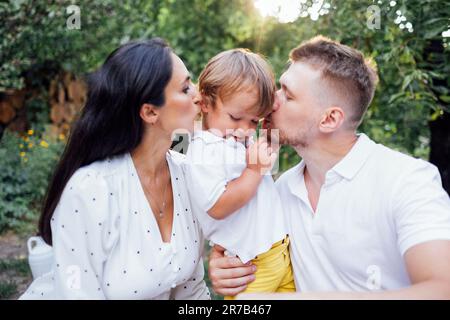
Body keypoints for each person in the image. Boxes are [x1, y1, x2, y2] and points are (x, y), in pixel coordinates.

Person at [208, 36, 450, 299]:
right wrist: (225, 267)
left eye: (287, 94)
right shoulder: (280, 189)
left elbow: (441, 289)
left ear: (329, 119)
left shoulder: (407, 181)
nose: (270, 101)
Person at [20, 38, 210, 299]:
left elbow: (192, 290)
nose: (199, 96)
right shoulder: (91, 189)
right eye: (186, 87)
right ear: (150, 112)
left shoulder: (187, 173)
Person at [183, 49, 295, 299]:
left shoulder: (235, 138)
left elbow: (267, 171)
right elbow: (218, 205)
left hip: (280, 253)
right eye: (236, 117)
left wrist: (269, 139)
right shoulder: (203, 149)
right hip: (251, 265)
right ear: (206, 103)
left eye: (254, 121)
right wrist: (253, 170)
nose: (245, 130)